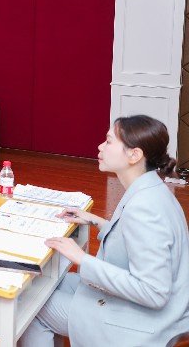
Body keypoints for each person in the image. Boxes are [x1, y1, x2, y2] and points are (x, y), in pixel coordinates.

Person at [19, 115, 189, 347]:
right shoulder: (152, 188)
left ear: (134, 155)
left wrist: (82, 259)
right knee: (49, 283)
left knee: (29, 304)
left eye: (108, 142)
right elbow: (136, 238)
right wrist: (95, 220)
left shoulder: (144, 208)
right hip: (151, 310)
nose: (100, 146)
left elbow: (153, 292)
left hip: (143, 322)